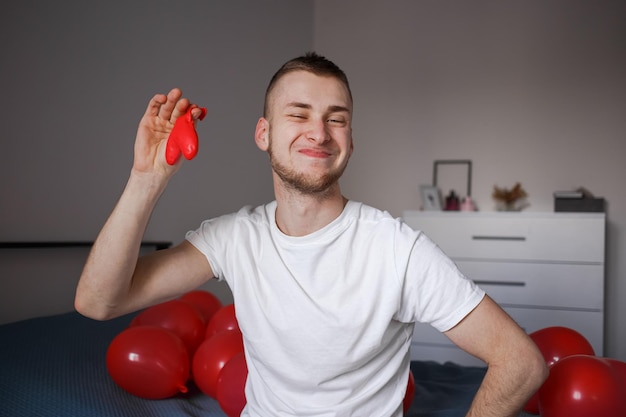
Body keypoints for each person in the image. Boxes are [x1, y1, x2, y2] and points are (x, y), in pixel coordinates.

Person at [75, 52, 547, 416]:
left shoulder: (397, 249)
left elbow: (520, 361)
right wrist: (146, 178)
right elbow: (99, 302)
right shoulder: (234, 237)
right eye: (298, 114)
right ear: (264, 133)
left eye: (336, 118)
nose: (319, 132)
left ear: (350, 140)